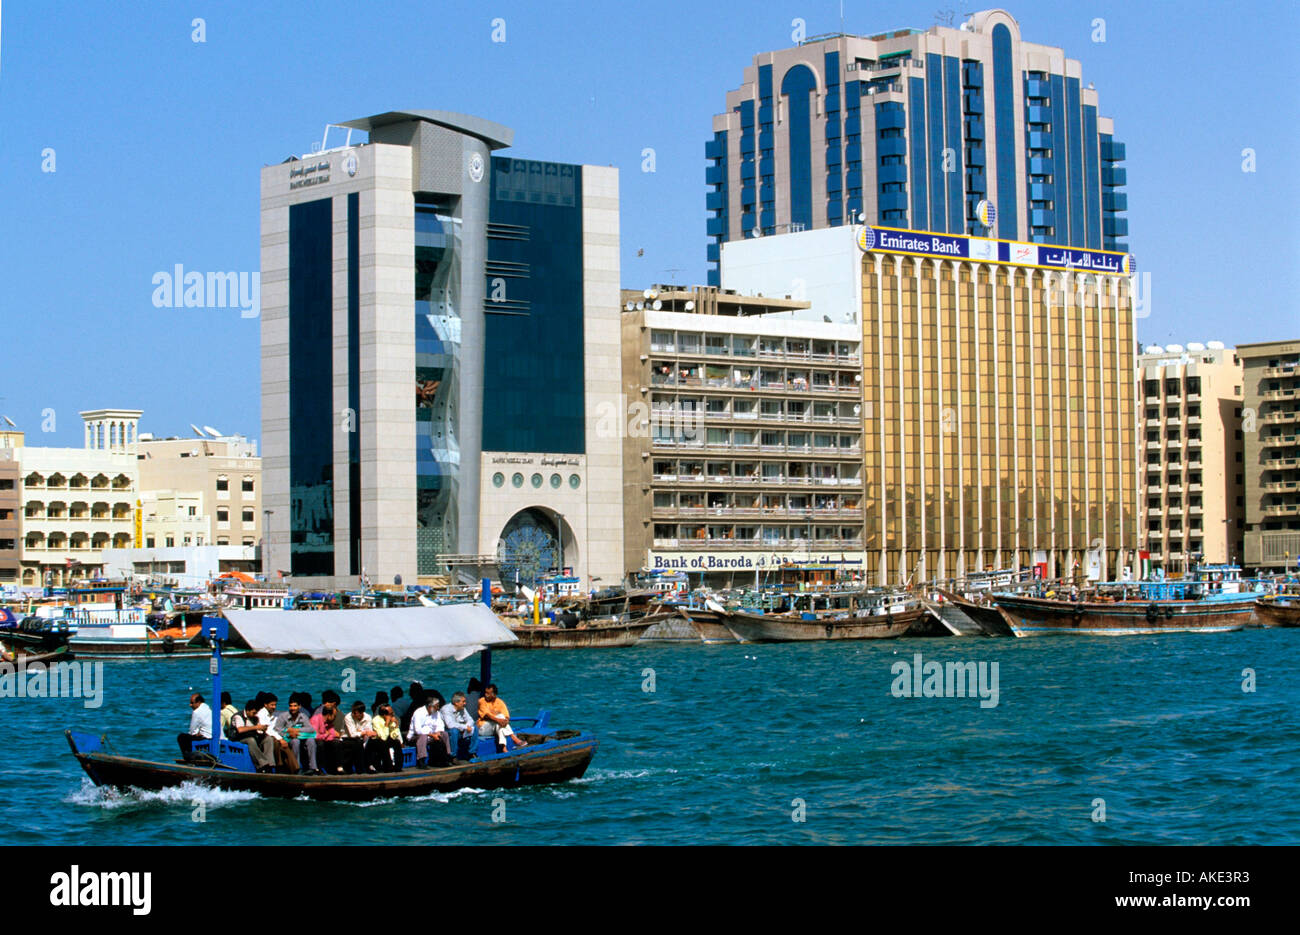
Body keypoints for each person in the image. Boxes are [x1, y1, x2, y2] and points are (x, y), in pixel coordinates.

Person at [477, 683, 528, 753]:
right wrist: (499, 720)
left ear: (494, 695)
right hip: (483, 728)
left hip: (495, 727)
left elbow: (506, 716)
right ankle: (514, 738)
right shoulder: (482, 701)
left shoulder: (500, 702)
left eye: (488, 693)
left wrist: (505, 721)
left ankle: (504, 748)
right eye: (485, 693)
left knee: (500, 727)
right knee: (500, 717)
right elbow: (486, 715)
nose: (486, 695)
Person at [229, 699, 276, 772]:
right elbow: (240, 730)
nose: (255, 714)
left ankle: (270, 763)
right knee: (251, 740)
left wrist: (262, 729)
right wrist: (256, 727)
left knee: (268, 739)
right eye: (253, 713)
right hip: (239, 738)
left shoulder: (255, 718)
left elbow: (257, 729)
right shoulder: (238, 716)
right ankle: (262, 764)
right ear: (247, 711)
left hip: (252, 736)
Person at [258, 693, 299, 774]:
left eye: (275, 705)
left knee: (286, 742)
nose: (274, 707)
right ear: (265, 705)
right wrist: (280, 739)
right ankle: (287, 767)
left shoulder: (272, 714)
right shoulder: (261, 714)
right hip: (263, 737)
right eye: (272, 705)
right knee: (278, 742)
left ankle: (293, 768)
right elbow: (267, 730)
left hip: (273, 736)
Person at [278, 698, 319, 774]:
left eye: (295, 706)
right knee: (295, 741)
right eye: (291, 706)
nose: (293, 708)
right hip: (288, 738)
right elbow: (277, 729)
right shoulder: (283, 716)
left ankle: (313, 767)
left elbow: (310, 729)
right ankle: (296, 767)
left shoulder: (303, 716)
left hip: (300, 736)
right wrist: (288, 732)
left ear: (299, 706)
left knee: (311, 740)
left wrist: (297, 730)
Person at [407, 694, 449, 768]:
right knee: (423, 737)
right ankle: (421, 760)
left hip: (432, 736)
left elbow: (440, 725)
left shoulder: (437, 713)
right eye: (437, 706)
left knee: (444, 734)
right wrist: (432, 735)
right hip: (415, 737)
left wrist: (438, 732)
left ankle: (446, 757)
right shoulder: (419, 713)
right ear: (430, 706)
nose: (438, 708)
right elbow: (418, 731)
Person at [342, 700, 378, 773]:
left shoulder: (368, 717)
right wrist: (363, 732)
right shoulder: (348, 717)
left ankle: (370, 765)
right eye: (353, 712)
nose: (354, 714)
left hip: (362, 738)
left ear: (362, 713)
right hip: (348, 738)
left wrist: (362, 732)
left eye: (356, 713)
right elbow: (352, 734)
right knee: (358, 743)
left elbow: (369, 731)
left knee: (372, 742)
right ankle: (359, 768)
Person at [441, 691, 477, 762]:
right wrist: (464, 727)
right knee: (454, 731)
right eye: (463, 701)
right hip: (447, 732)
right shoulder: (446, 709)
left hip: (460, 730)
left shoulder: (462, 709)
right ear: (456, 703)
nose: (465, 703)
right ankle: (453, 756)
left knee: (475, 728)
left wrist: (467, 726)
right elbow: (450, 725)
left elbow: (471, 720)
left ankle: (472, 752)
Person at [310, 701, 344, 774]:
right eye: (334, 716)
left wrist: (327, 735)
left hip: (324, 739)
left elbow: (332, 734)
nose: (334, 718)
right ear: (329, 715)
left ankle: (339, 767)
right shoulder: (315, 719)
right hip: (315, 741)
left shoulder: (329, 723)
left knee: (337, 742)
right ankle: (320, 768)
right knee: (320, 744)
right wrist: (326, 735)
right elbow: (315, 735)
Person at [371, 704, 404, 772]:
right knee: (384, 743)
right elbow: (383, 737)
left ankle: (398, 766)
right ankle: (388, 766)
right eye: (391, 713)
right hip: (378, 740)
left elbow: (395, 735)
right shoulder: (376, 720)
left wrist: (396, 725)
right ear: (384, 714)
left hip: (388, 738)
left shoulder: (392, 718)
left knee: (397, 742)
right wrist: (386, 723)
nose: (393, 714)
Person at [177, 693, 212, 757]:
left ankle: (188, 756)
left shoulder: (196, 712)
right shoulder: (208, 708)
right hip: (213, 737)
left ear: (198, 702)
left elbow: (192, 731)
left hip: (206, 738)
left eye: (192, 703)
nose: (190, 705)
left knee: (182, 737)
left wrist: (196, 734)